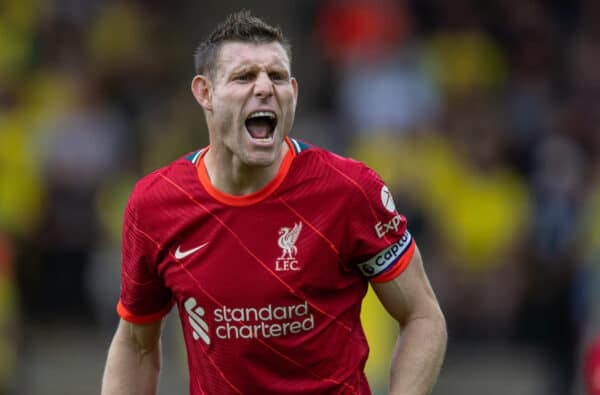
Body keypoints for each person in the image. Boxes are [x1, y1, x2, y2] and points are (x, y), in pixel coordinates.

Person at [101, 10, 447, 395]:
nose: (265, 88)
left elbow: (422, 315)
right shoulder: (156, 204)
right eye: (245, 76)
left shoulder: (349, 190)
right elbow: (136, 344)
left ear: (293, 93)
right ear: (205, 92)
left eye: (277, 77)